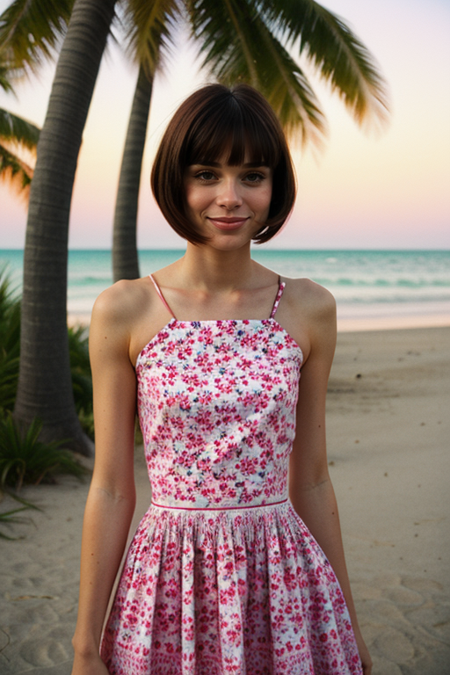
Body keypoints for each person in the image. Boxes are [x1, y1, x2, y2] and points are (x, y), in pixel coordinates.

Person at [71, 83, 372, 675]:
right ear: (176, 183)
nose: (229, 197)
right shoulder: (125, 309)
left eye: (252, 175)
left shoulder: (309, 308)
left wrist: (349, 623)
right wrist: (85, 646)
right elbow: (110, 488)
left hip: (281, 577)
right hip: (168, 580)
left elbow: (310, 479)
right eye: (207, 173)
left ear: (274, 186)